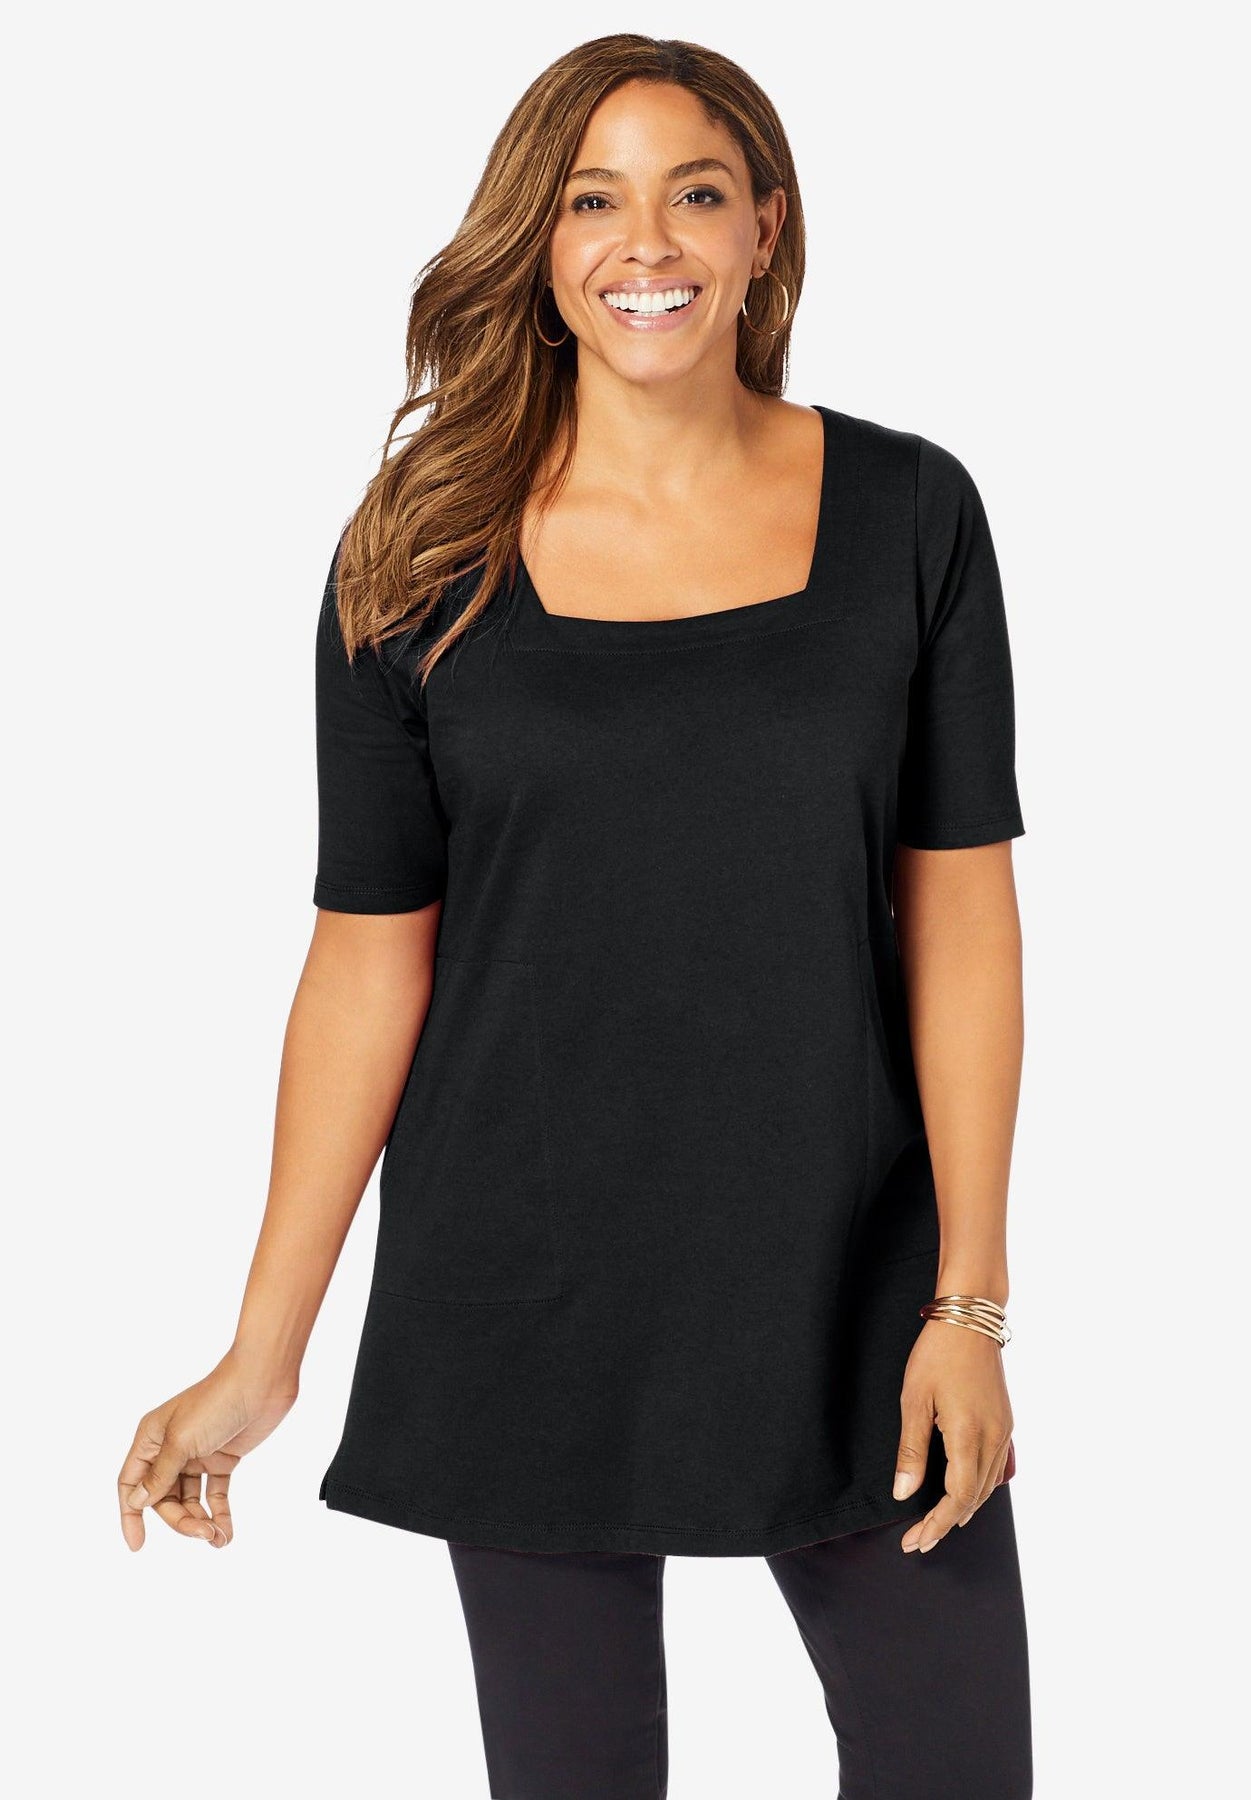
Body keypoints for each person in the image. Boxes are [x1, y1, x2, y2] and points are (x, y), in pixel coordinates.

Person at [117, 33, 1033, 1800]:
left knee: (957, 1765)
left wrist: (971, 1302)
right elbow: (367, 961)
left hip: (852, 1274)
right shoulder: (419, 552)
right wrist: (263, 1351)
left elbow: (965, 923)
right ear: (539, 244)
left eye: (696, 193)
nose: (648, 244)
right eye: (593, 201)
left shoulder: (913, 515)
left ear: (766, 228)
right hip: (522, 1278)